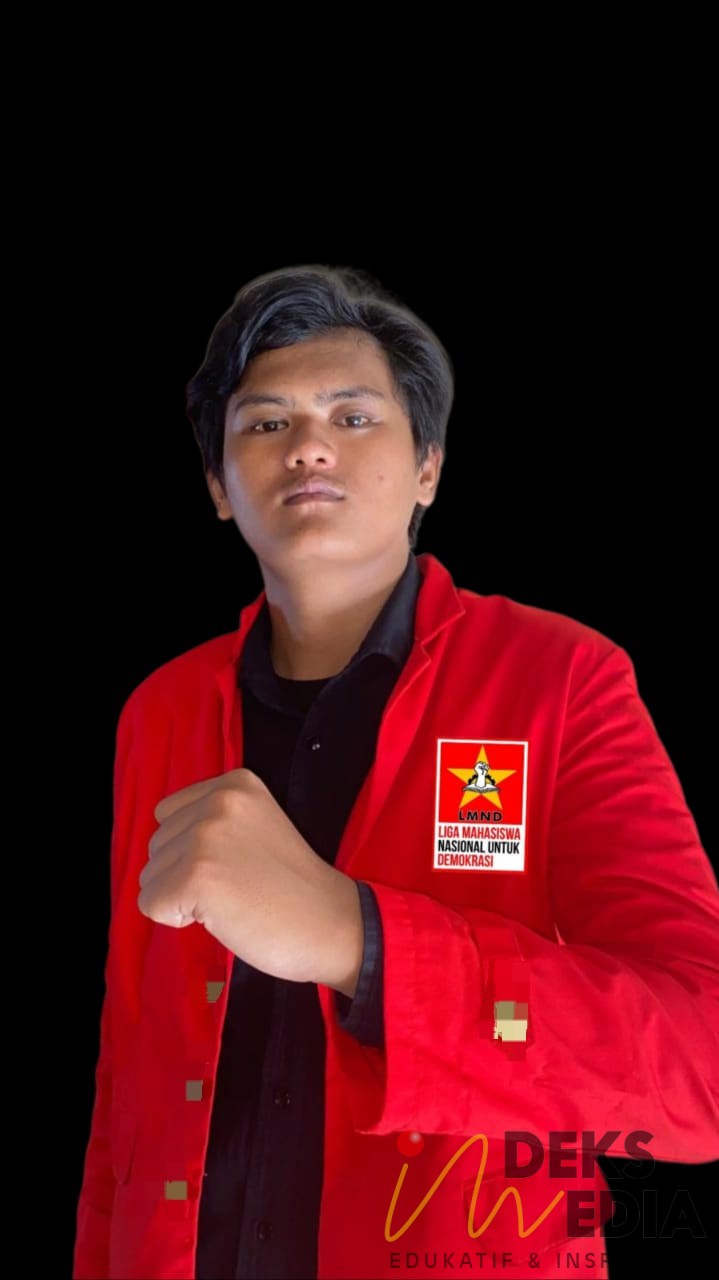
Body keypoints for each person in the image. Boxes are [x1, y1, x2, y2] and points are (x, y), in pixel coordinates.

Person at [72, 264, 719, 1280]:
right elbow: (129, 1078)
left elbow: (698, 1066)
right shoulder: (159, 710)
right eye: (265, 423)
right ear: (218, 486)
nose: (308, 445)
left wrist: (360, 944)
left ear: (427, 467)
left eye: (352, 415)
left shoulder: (562, 678)